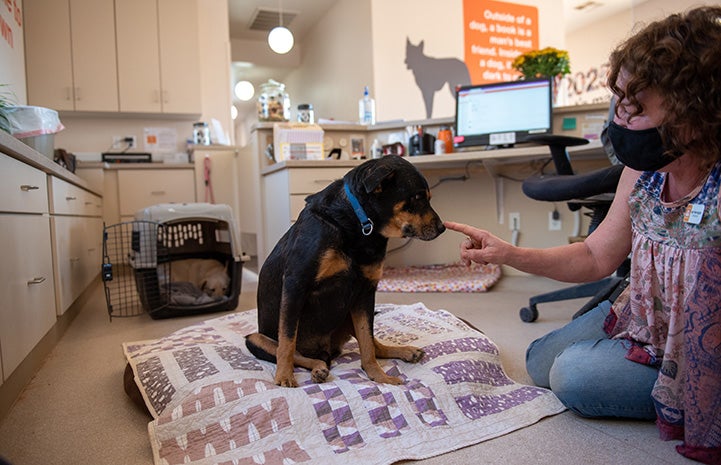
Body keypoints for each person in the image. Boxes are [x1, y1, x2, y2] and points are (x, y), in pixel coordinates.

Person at [444, 6, 721, 464]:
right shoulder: (644, 168)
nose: (621, 119)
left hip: (698, 348)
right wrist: (507, 253)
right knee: (538, 361)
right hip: (646, 311)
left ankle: (685, 398)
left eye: (636, 105)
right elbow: (595, 256)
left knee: (572, 376)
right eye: (620, 103)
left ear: (692, 105)